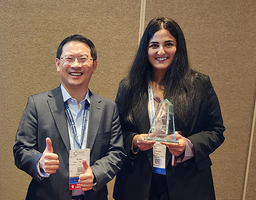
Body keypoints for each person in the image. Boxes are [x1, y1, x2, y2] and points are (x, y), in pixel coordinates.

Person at [113, 17, 225, 200]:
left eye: (168, 44)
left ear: (178, 47)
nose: (161, 51)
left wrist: (188, 146)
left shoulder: (199, 84)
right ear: (146, 49)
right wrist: (134, 141)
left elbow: (216, 131)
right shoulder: (129, 87)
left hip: (188, 184)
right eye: (154, 45)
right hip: (138, 184)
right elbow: (115, 132)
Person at [13, 34, 126, 200]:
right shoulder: (37, 104)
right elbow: (20, 149)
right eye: (69, 58)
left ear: (94, 65)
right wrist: (40, 162)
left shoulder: (108, 108)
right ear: (58, 64)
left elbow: (116, 152)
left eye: (83, 59)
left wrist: (95, 174)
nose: (76, 65)